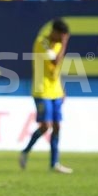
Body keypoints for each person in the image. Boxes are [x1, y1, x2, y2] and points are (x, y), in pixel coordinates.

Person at [19, 18, 73, 174]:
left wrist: (62, 89)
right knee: (45, 126)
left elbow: (54, 71)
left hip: (55, 90)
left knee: (57, 126)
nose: (62, 39)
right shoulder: (41, 42)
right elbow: (55, 61)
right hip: (41, 90)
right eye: (61, 36)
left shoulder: (56, 44)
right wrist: (64, 43)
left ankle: (54, 163)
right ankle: (25, 151)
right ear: (54, 32)